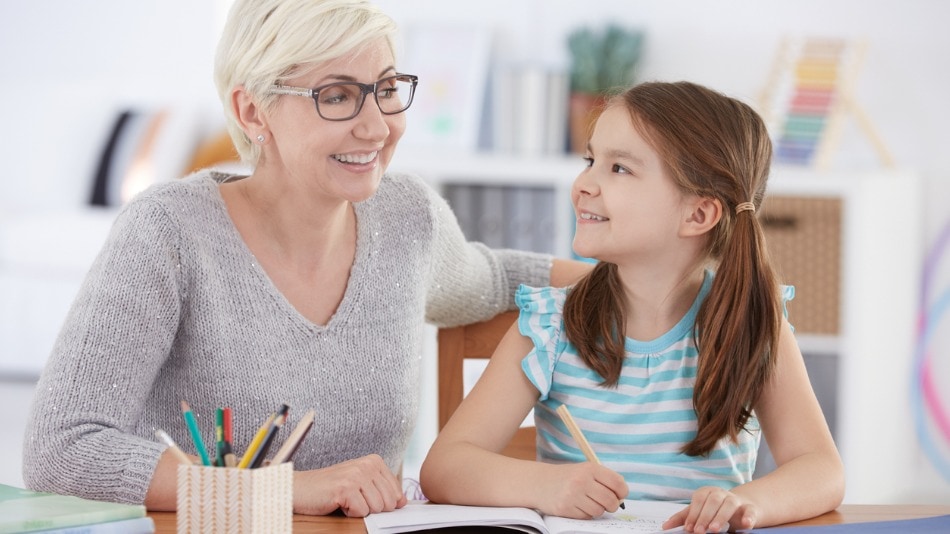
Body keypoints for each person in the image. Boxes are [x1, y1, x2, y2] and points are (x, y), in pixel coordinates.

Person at [21, 0, 589, 518]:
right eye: (337, 96)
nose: (376, 126)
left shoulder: (407, 217)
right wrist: (289, 488)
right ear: (252, 112)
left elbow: (496, 278)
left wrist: (660, 278)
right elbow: (62, 450)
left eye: (386, 88)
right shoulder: (167, 233)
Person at [420, 81, 845, 533]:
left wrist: (745, 503)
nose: (584, 184)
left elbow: (821, 469)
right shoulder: (549, 327)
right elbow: (445, 467)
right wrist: (545, 485)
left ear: (698, 215)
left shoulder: (753, 324)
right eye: (591, 161)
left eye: (619, 168)